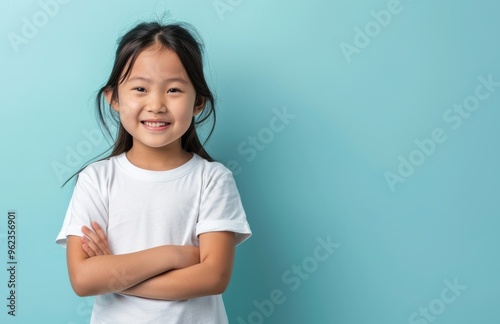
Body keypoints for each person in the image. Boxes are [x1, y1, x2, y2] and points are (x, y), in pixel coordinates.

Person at [55, 21, 251, 323]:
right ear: (115, 98)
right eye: (140, 89)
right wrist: (173, 255)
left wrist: (115, 273)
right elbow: (83, 279)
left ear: (197, 101)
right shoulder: (96, 179)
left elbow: (213, 277)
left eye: (173, 89)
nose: (156, 104)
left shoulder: (213, 179)